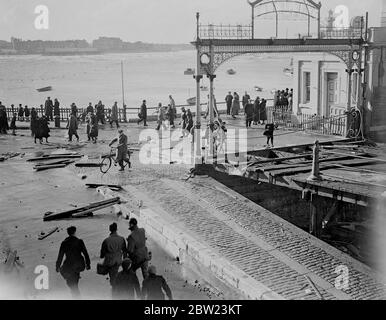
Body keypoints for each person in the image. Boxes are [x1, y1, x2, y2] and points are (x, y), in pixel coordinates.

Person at [56, 226, 91, 299]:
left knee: (71, 283)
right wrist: (88, 264)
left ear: (68, 233)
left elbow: (60, 256)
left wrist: (57, 266)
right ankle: (76, 296)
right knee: (74, 283)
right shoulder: (79, 241)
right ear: (75, 232)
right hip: (78, 265)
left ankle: (76, 296)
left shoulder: (64, 243)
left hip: (68, 265)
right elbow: (85, 253)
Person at [100, 223, 127, 287]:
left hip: (110, 261)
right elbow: (124, 250)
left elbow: (102, 254)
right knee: (115, 273)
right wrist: (124, 260)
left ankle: (115, 290)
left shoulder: (106, 240)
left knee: (112, 276)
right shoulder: (122, 239)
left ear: (110, 230)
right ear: (116, 229)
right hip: (118, 260)